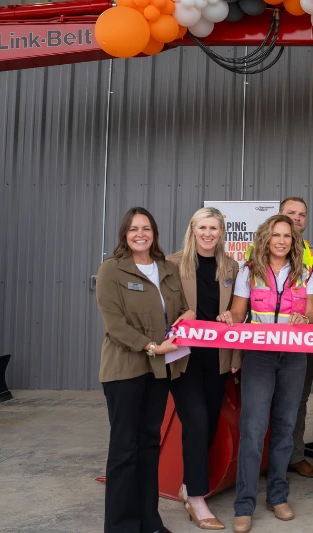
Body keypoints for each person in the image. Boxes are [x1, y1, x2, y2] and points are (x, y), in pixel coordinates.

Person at [95, 207, 194, 533]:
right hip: (125, 370)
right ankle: (121, 525)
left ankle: (150, 521)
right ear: (125, 234)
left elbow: (178, 311)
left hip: (159, 371)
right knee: (125, 448)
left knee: (150, 444)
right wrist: (151, 346)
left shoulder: (167, 268)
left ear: (154, 233)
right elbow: (115, 325)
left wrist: (190, 315)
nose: (141, 234)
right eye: (134, 228)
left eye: (146, 228)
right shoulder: (112, 270)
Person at [222, 214, 313, 533]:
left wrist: (305, 319)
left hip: (293, 358)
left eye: (287, 236)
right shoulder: (250, 272)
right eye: (276, 235)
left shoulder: (305, 271)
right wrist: (228, 318)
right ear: (266, 238)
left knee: (285, 426)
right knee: (252, 428)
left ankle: (277, 495)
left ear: (294, 241)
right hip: (259, 357)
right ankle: (244, 504)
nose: (281, 240)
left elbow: (312, 312)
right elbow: (238, 313)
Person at [166, 207, 240, 530]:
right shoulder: (171, 264)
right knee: (195, 419)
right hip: (184, 359)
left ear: (221, 232)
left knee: (209, 422)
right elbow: (163, 309)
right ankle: (196, 497)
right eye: (203, 227)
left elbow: (238, 311)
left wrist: (231, 318)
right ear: (192, 229)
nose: (208, 233)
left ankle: (187, 484)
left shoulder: (231, 266)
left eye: (214, 228)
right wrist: (183, 313)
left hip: (217, 359)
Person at [277, 197, 313, 480]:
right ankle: (266, 459)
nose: (297, 218)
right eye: (290, 213)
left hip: (302, 341)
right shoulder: (256, 250)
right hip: (266, 342)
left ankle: (294, 456)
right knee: (264, 402)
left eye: (302, 214)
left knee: (296, 401)